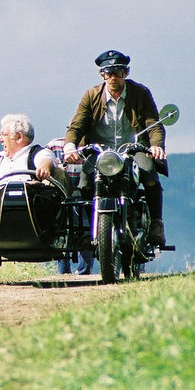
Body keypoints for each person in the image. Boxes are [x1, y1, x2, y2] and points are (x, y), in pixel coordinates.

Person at [63, 50, 168, 247]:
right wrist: (70, 146)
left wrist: (156, 146)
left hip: (133, 149)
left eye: (118, 72)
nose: (112, 77)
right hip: (100, 151)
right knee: (85, 181)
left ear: (126, 73)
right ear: (102, 75)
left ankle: (156, 223)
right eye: (108, 73)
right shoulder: (91, 95)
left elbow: (153, 124)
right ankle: (89, 228)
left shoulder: (140, 93)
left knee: (149, 173)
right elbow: (77, 125)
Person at [46, 137, 94, 275]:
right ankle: (64, 273)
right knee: (61, 232)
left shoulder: (95, 146)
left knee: (87, 232)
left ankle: (84, 272)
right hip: (61, 196)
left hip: (86, 196)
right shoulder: (55, 145)